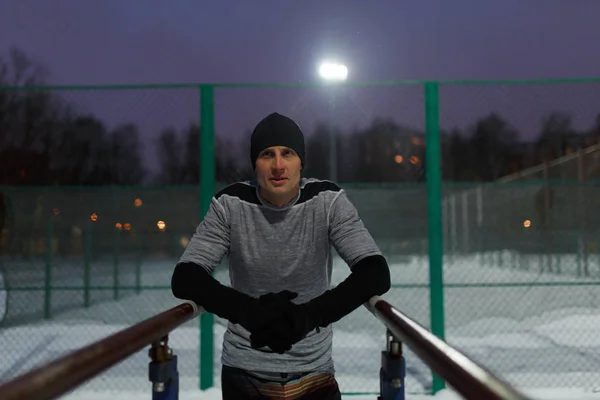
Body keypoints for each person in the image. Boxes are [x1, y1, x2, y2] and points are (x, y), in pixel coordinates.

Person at [171, 112, 391, 399]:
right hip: (244, 372)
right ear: (254, 164)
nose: (278, 165)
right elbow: (186, 276)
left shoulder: (327, 201)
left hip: (314, 369)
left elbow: (375, 272)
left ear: (301, 162)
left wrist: (310, 315)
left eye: (287, 153)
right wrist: (248, 311)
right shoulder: (229, 204)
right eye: (267, 154)